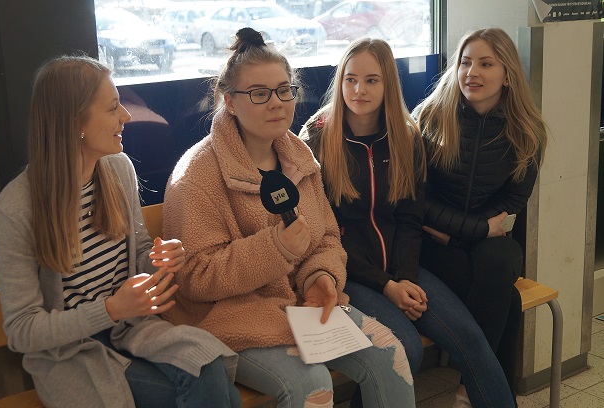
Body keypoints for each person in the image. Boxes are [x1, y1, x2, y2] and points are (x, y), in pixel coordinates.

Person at [162, 28, 415, 408]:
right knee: (313, 386)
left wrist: (320, 279)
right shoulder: (197, 175)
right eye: (259, 94)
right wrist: (275, 249)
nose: (277, 104)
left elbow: (327, 237)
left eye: (284, 90)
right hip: (229, 315)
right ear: (229, 101)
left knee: (391, 356)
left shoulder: (297, 156)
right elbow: (194, 276)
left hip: (300, 305)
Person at [0, 55, 241, 408]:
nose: (126, 115)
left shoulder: (117, 170)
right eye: (112, 108)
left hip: (131, 329)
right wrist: (108, 310)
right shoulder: (18, 208)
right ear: (74, 121)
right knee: (211, 394)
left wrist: (159, 260)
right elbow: (22, 330)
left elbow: (138, 255)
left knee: (208, 366)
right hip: (69, 354)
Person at [300, 37, 516, 408]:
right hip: (347, 273)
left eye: (371, 80)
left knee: (471, 339)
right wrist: (388, 286)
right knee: (406, 348)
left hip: (400, 269)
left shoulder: (405, 134)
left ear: (388, 84)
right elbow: (324, 235)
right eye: (351, 79)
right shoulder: (318, 138)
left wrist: (405, 278)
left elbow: (410, 220)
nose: (359, 90)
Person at [413, 27, 548, 400]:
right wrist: (471, 230)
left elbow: (513, 199)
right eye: (465, 62)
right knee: (510, 302)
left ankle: (469, 388)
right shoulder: (430, 118)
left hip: (480, 240)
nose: (472, 72)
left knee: (501, 259)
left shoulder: (527, 131)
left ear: (507, 75)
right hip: (432, 242)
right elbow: (415, 198)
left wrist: (465, 232)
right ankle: (478, 393)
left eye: (485, 64)